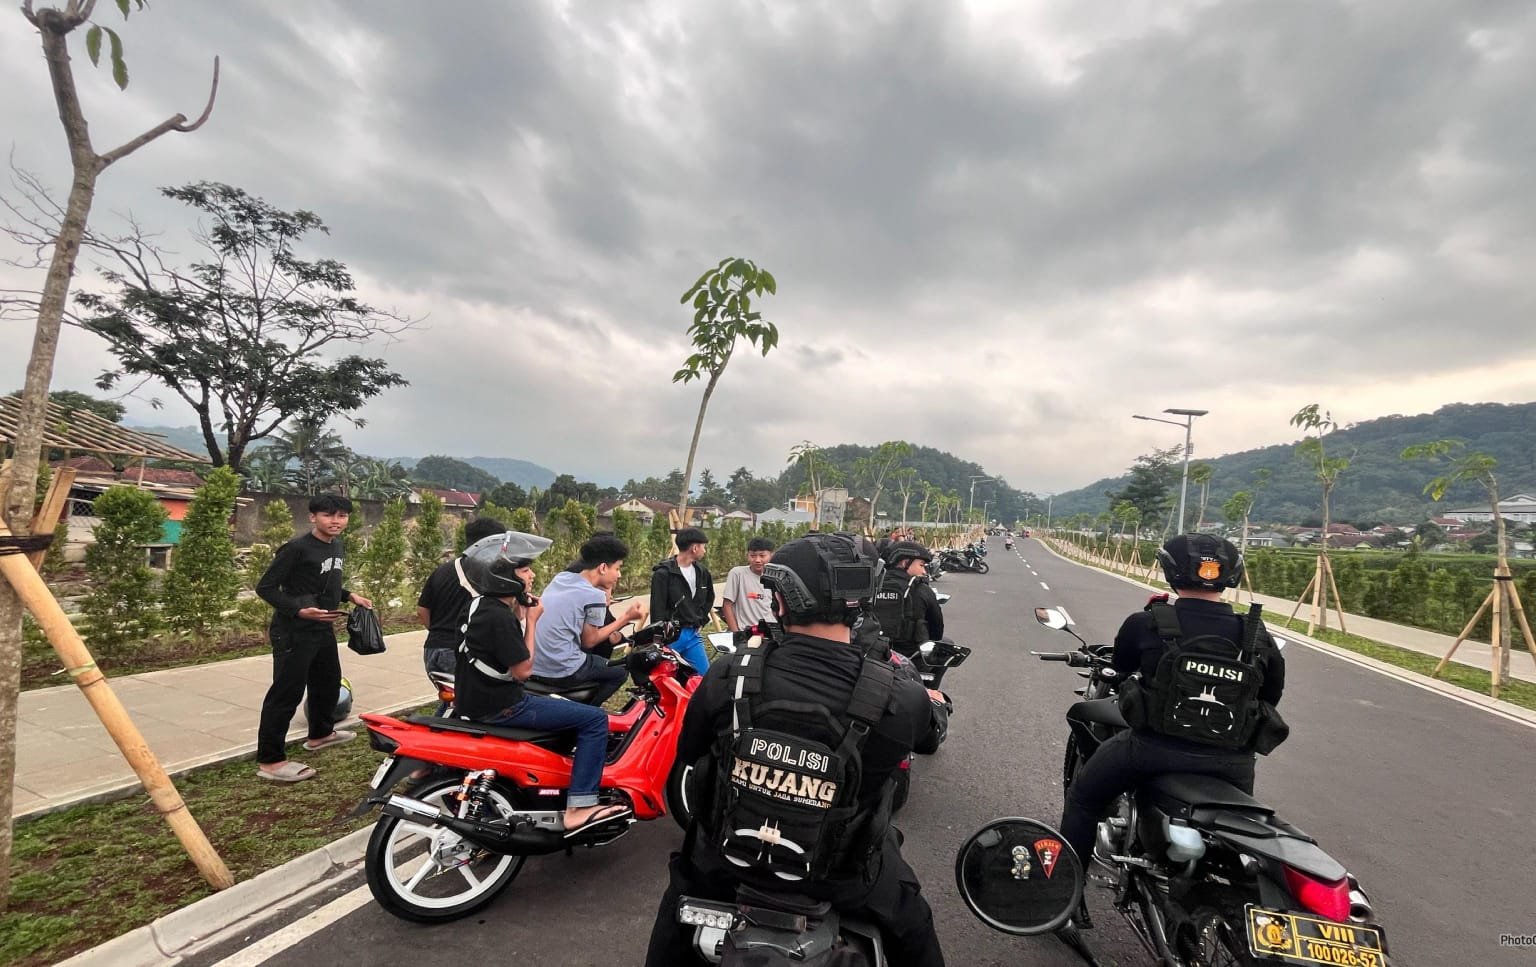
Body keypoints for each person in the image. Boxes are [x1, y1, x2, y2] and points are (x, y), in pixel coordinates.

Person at [643, 534, 945, 967]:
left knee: (675, 914)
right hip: (841, 880)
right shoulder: (900, 693)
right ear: (860, 603)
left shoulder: (731, 673)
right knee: (913, 928)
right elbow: (925, 740)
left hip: (724, 866)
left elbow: (691, 754)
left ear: (780, 604)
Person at [1058, 534, 1286, 926]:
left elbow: (1123, 665)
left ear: (1169, 571)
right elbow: (1271, 695)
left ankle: (1064, 898)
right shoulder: (1258, 635)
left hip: (1150, 749)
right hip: (1232, 764)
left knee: (1084, 799)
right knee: (1230, 838)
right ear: (1230, 576)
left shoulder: (1147, 622)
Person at [454, 531, 632, 834]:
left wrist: (523, 613)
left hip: (473, 699)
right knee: (594, 720)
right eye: (524, 570)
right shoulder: (499, 617)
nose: (532, 575)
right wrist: (532, 620)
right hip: (504, 705)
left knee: (569, 715)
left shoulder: (479, 606)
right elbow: (523, 670)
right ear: (502, 577)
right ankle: (580, 806)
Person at [254, 494, 373, 782]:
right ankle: (271, 761)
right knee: (286, 692)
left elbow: (325, 580)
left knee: (327, 683)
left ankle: (320, 734)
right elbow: (266, 588)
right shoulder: (295, 549)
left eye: (342, 516)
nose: (336, 521)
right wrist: (298, 611)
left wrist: (349, 595)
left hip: (322, 627)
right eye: (328, 515)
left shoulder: (337, 545)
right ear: (313, 517)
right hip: (293, 630)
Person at [530, 534, 646, 706]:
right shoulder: (594, 595)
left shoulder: (561, 578)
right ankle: (588, 710)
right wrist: (626, 617)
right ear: (603, 568)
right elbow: (590, 641)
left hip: (535, 665)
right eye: (618, 568)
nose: (619, 575)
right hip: (562, 670)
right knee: (620, 671)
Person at [416, 515, 507, 712]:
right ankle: (434, 737)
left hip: (433, 649)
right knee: (467, 706)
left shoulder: (442, 570)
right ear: (488, 544)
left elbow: (422, 610)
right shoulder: (487, 574)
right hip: (458, 653)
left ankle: (436, 733)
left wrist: (439, 632)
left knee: (454, 703)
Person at [650, 527, 714, 671]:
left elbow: (709, 598)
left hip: (693, 635)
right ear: (695, 548)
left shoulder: (702, 572)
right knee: (667, 679)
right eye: (704, 547)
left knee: (704, 678)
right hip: (671, 636)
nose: (705, 550)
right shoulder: (663, 573)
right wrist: (659, 638)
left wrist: (701, 620)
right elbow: (657, 607)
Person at [872, 541, 944, 658]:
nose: (924, 572)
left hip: (872, 653)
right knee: (947, 643)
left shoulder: (872, 585)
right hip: (911, 658)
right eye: (921, 565)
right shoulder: (922, 590)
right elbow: (936, 630)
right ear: (905, 562)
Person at [721, 537, 775, 646]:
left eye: (762, 555)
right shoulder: (738, 574)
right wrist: (737, 634)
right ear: (747, 555)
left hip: (770, 635)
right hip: (745, 635)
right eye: (753, 556)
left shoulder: (776, 577)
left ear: (771, 555)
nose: (757, 560)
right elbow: (727, 605)